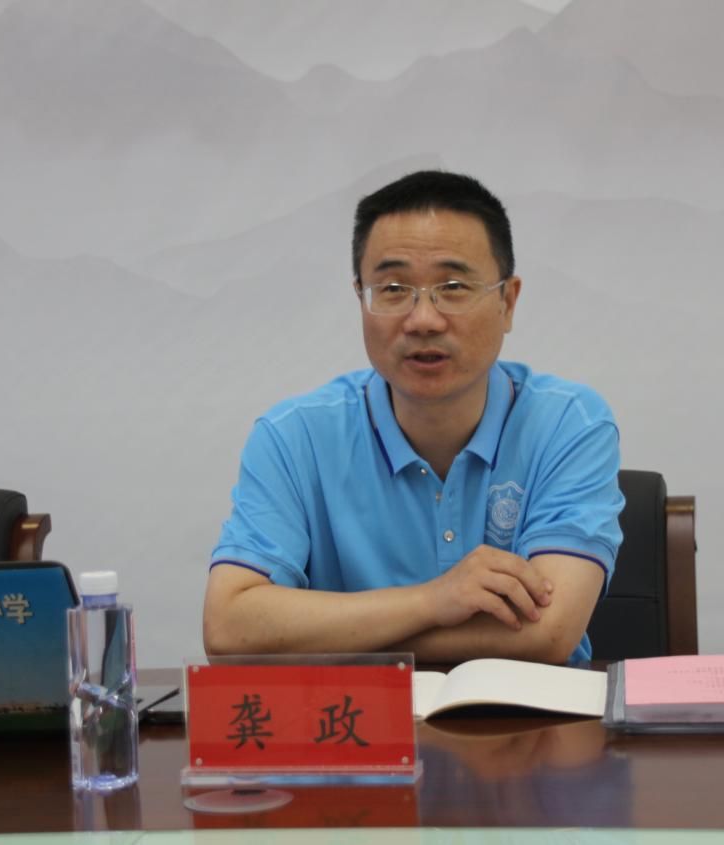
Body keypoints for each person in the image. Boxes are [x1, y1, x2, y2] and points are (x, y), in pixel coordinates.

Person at [202, 170, 624, 664]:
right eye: (394, 289)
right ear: (361, 298)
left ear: (507, 302)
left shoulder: (569, 424)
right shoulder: (293, 438)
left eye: (453, 286)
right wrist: (432, 600)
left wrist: (339, 637)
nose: (423, 320)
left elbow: (547, 634)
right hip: (355, 715)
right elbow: (229, 627)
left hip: (525, 713)